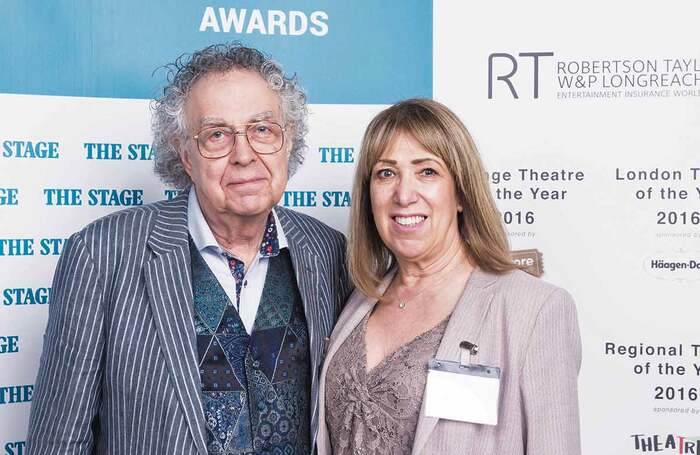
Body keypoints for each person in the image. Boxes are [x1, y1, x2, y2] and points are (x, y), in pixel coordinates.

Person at [26, 43, 352, 455]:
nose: (244, 155)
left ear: (288, 143)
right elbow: (58, 441)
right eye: (217, 135)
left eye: (263, 129)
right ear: (185, 156)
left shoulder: (326, 252)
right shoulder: (100, 255)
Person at [317, 99, 581, 455]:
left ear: (461, 192)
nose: (404, 195)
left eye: (427, 171)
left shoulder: (535, 310)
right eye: (386, 173)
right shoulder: (358, 298)